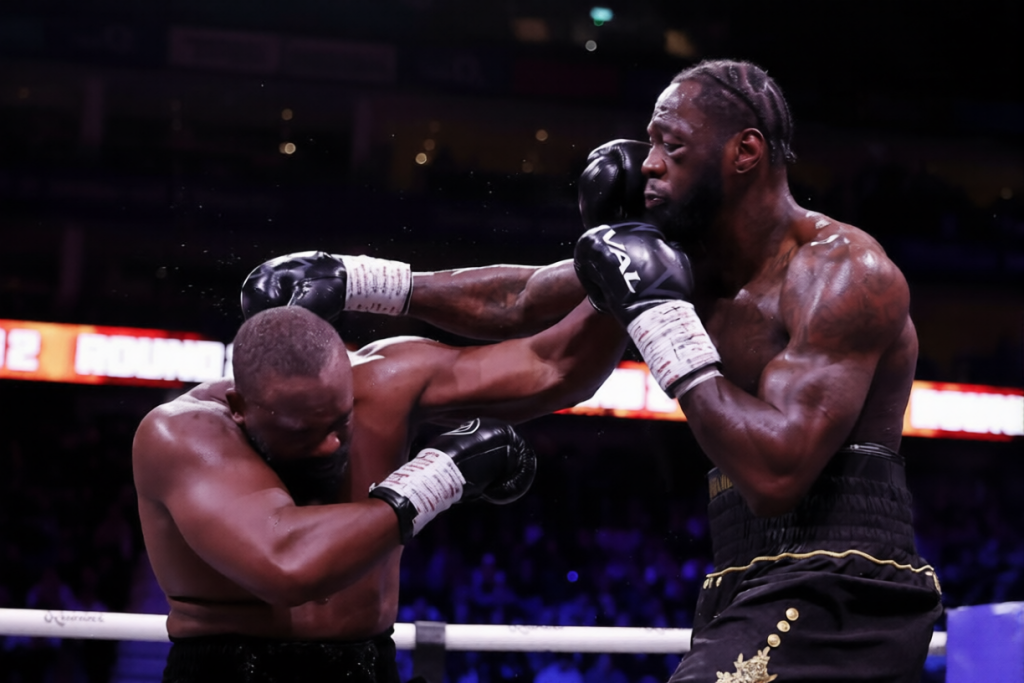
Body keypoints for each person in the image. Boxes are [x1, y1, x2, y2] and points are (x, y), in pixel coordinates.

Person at [246, 58, 942, 682]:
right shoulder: (687, 255)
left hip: (846, 580)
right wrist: (355, 279)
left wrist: (659, 315)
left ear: (744, 153)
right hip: (740, 575)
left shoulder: (844, 273)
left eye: (673, 144)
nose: (647, 165)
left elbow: (775, 474)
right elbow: (521, 300)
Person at [133, 299, 626, 682]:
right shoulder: (183, 434)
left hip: (367, 662)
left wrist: (626, 271)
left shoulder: (386, 382)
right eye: (303, 430)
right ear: (241, 405)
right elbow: (287, 562)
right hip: (227, 667)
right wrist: (439, 475)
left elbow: (555, 366)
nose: (330, 444)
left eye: (341, 421)